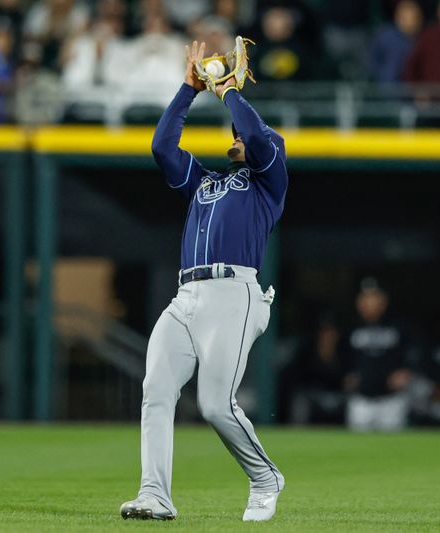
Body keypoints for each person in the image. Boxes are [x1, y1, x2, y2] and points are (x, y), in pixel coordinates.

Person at [120, 40, 288, 522]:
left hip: (235, 294)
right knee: (156, 389)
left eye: (241, 135)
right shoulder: (206, 181)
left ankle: (264, 476)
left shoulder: (268, 182)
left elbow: (258, 137)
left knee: (215, 405)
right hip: (186, 296)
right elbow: (161, 148)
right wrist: (189, 89)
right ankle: (155, 495)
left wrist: (230, 88)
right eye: (233, 135)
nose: (236, 138)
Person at [344, 278, 411, 431]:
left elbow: (415, 351)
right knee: (358, 448)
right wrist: (346, 374)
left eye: (373, 298)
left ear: (383, 300)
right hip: (361, 399)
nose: (369, 303)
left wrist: (406, 370)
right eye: (365, 298)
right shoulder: (350, 325)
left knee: (393, 449)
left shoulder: (399, 325)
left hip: (391, 399)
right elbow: (341, 356)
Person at [288, 312, 347, 424]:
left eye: (330, 332)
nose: (327, 336)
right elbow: (299, 378)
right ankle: (298, 433)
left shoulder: (344, 351)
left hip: (338, 395)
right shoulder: (307, 351)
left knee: (355, 400)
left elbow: (347, 377)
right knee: (300, 400)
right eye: (324, 332)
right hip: (313, 396)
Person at [368, 0, 422, 85]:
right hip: (385, 90)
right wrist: (381, 77)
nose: (408, 21)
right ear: (396, 17)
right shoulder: (384, 36)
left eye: (412, 17)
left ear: (419, 19)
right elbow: (371, 60)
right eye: (404, 17)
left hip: (411, 92)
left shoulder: (425, 40)